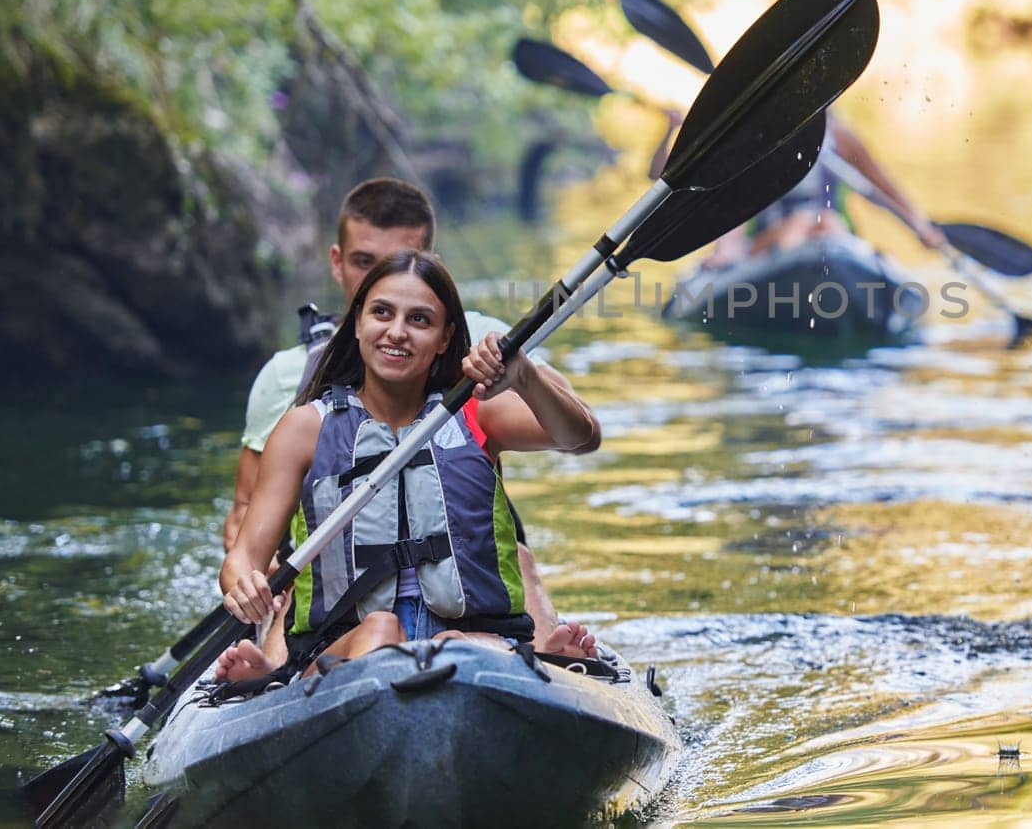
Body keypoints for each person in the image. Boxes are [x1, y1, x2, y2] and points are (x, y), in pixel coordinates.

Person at [225, 177, 599, 657]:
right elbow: (244, 549)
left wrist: (523, 374)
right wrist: (246, 583)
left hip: (463, 626)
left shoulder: (478, 398)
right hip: (350, 635)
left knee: (460, 642)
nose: (398, 332)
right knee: (380, 630)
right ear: (356, 321)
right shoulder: (304, 422)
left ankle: (543, 660)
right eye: (381, 312)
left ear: (446, 336)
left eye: (420, 320)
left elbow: (581, 436)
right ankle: (272, 668)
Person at [647, 108, 946, 267]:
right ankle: (800, 266)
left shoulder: (838, 136)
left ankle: (822, 267)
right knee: (808, 221)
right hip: (770, 242)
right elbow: (674, 181)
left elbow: (886, 189)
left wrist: (921, 226)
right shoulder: (752, 139)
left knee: (824, 221)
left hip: (834, 239)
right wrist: (726, 251)